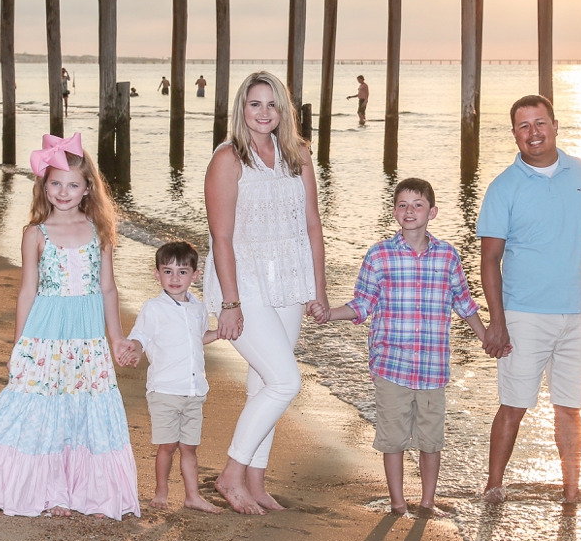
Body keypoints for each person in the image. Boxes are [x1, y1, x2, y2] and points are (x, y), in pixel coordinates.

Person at [0, 133, 141, 519]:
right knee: (42, 406)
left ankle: (94, 494)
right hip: (46, 334)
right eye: (55, 184)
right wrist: (20, 346)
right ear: (44, 186)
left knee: (85, 407)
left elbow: (108, 288)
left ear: (87, 190)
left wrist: (116, 338)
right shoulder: (36, 233)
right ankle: (50, 492)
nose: (63, 192)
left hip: (87, 338)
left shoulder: (100, 232)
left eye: (72, 185)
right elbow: (27, 293)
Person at [317, 178, 498, 516]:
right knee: (393, 439)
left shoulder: (447, 256)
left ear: (433, 211)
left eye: (418, 204)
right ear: (394, 212)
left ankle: (428, 502)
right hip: (391, 364)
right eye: (403, 205)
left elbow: (464, 304)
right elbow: (362, 305)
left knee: (431, 440)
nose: (410, 210)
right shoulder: (379, 255)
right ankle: (398, 503)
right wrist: (329, 315)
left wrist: (486, 335)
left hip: (432, 368)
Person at [477, 95, 581, 504]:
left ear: (556, 125)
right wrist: (498, 320)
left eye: (540, 123)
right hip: (523, 315)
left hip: (578, 311)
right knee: (514, 405)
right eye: (524, 126)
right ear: (514, 135)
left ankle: (572, 491)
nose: (533, 133)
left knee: (570, 406)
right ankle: (493, 486)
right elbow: (490, 259)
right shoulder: (503, 187)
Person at [204, 71, 328, 515]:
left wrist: (318, 288)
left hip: (290, 281)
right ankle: (231, 474)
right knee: (285, 380)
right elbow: (221, 237)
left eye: (271, 104)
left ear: (283, 111)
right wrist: (231, 304)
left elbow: (312, 222)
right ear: (242, 108)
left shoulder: (297, 154)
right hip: (244, 282)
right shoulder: (228, 158)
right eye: (255, 104)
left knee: (263, 382)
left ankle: (256, 482)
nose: (263, 113)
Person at [120, 241, 221, 514]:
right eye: (168, 271)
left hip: (194, 389)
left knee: (189, 447)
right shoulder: (154, 308)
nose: (175, 278)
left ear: (195, 275)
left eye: (182, 272)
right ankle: (161, 491)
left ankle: (192, 496)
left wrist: (221, 332)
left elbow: (200, 339)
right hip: (164, 388)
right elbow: (140, 336)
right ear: (157, 274)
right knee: (168, 445)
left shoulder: (198, 309)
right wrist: (135, 350)